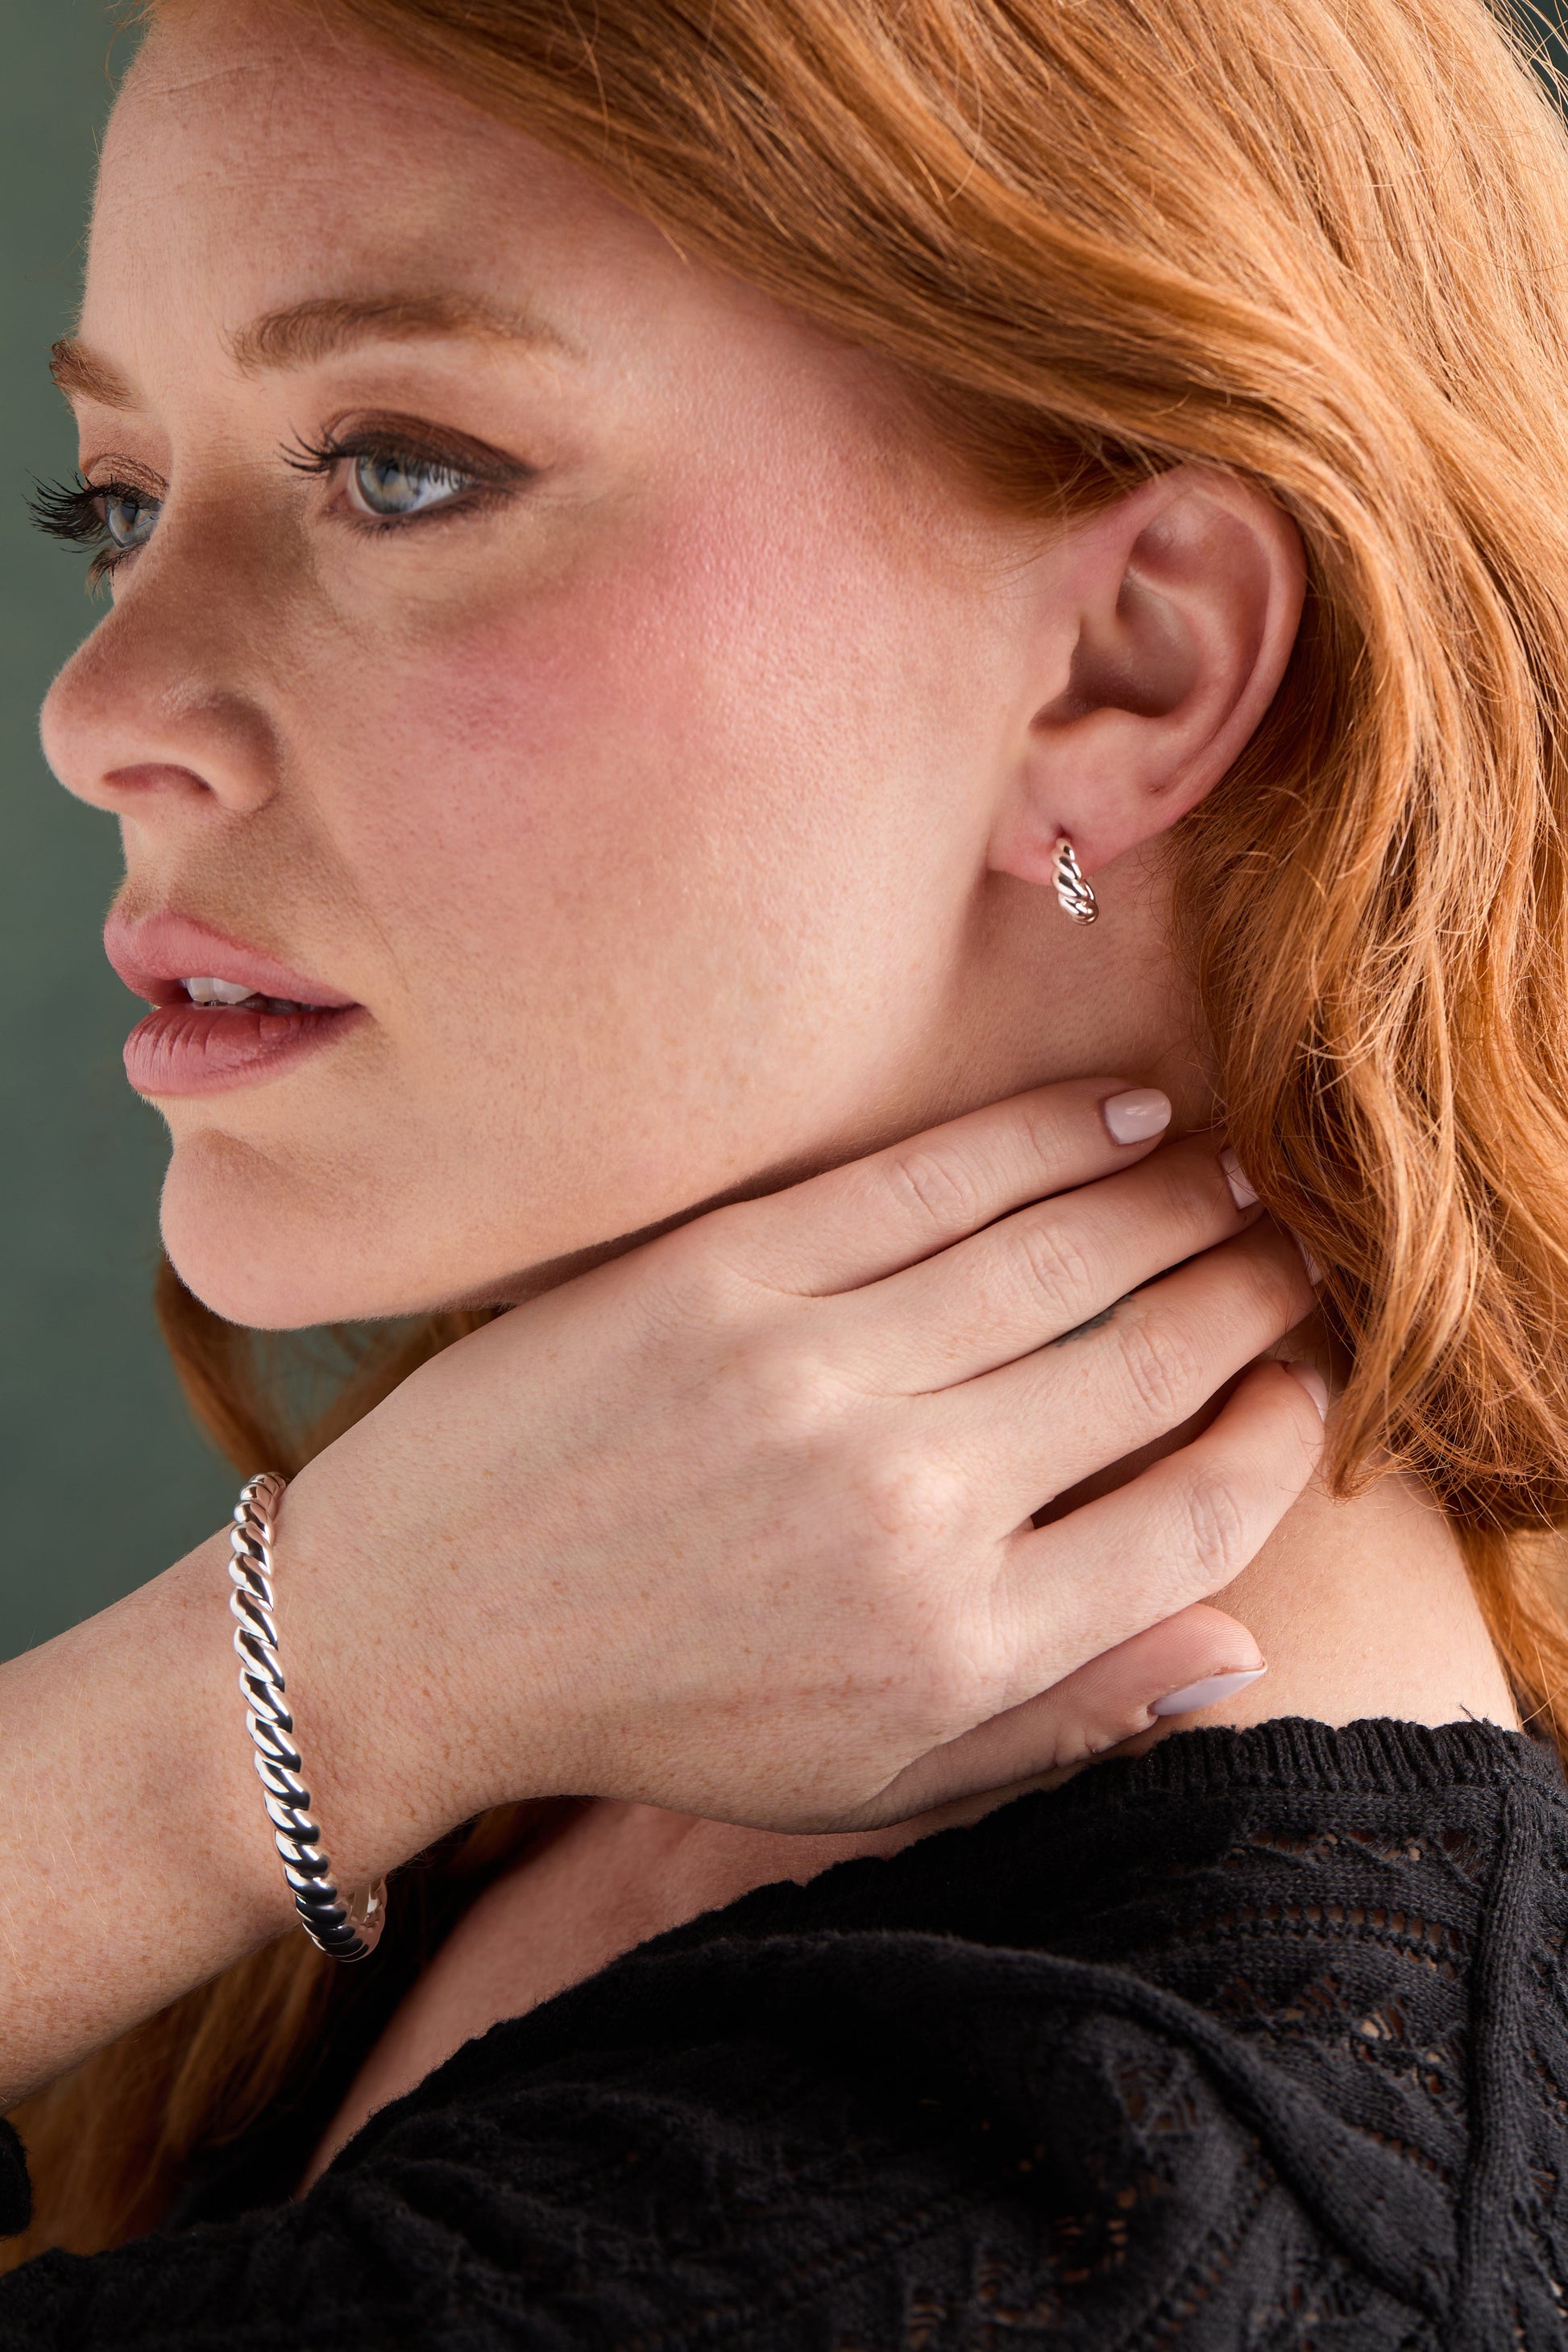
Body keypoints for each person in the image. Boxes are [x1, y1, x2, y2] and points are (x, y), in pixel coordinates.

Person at [2, 0, 1567, 2337]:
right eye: (116, 505)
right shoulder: (577, 1667)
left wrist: (247, 1732)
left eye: (400, 470)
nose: (100, 710)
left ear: (1129, 669)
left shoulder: (1043, 2221)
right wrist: (347, 1681)